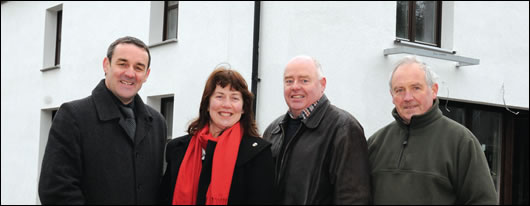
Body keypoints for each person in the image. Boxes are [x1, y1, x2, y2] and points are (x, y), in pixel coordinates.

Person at [38, 36, 167, 204]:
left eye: (138, 67)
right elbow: (56, 191)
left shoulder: (157, 123)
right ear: (106, 65)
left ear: (146, 74)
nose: (130, 73)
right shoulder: (73, 116)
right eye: (122, 64)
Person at [367, 56, 498, 204]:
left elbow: (483, 201)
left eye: (416, 88)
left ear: (434, 90)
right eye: (400, 90)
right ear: (392, 96)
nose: (407, 97)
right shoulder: (375, 143)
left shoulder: (461, 142)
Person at [262, 55, 372, 204]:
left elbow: (353, 198)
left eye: (304, 80)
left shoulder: (343, 128)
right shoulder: (273, 130)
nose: (295, 86)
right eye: (289, 81)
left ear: (322, 84)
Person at [158, 66, 274, 205]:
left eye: (234, 98)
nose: (226, 104)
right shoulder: (177, 148)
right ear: (207, 104)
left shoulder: (258, 153)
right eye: (219, 96)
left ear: (243, 108)